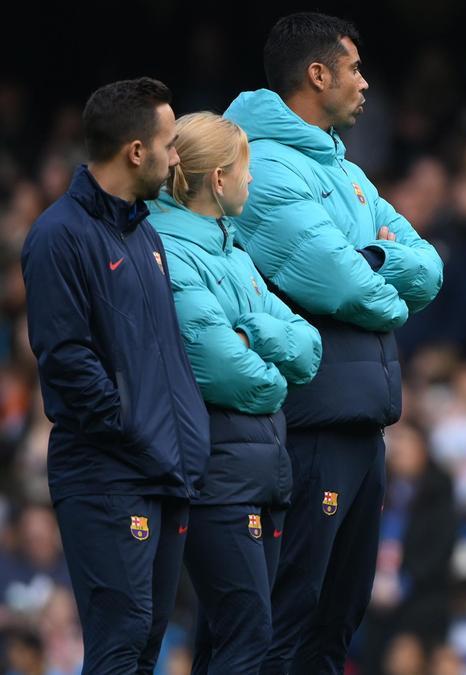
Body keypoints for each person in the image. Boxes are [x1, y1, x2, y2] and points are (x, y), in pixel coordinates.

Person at [223, 12, 444, 673]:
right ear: (317, 75)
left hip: (362, 420)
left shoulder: (344, 168)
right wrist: (382, 262)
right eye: (353, 68)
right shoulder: (266, 166)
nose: (365, 83)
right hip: (310, 422)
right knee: (294, 616)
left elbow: (429, 266)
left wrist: (367, 257)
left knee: (336, 625)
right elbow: (350, 287)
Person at [20, 77, 209, 674]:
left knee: (146, 641)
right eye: (171, 142)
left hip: (160, 470)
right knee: (120, 641)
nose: (177, 156)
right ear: (136, 150)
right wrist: (134, 429)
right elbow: (67, 362)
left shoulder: (143, 231)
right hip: (108, 471)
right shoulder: (59, 236)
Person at [148, 111, 322, 673]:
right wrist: (275, 377)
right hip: (219, 471)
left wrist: (254, 333)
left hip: (260, 471)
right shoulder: (173, 254)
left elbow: (308, 347)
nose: (252, 182)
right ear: (219, 180)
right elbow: (226, 370)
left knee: (230, 640)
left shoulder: (236, 254)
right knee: (249, 637)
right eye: (245, 171)